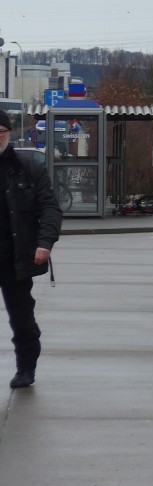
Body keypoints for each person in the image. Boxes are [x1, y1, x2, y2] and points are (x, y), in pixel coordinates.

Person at [0, 108, 62, 389]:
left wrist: (44, 242)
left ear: (8, 134)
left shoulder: (28, 168)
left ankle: (26, 369)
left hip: (16, 258)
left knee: (22, 320)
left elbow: (50, 207)